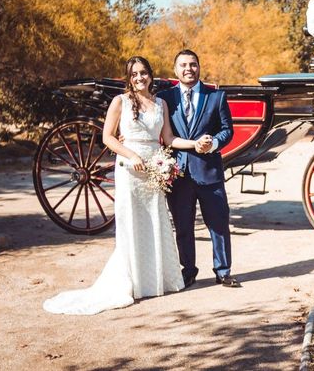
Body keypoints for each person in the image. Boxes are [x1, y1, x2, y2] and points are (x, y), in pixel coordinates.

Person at [44, 56, 206, 315]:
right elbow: (108, 137)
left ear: (151, 75)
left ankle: (157, 280)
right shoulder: (119, 102)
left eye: (143, 73)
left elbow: (169, 138)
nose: (139, 78)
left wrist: (195, 144)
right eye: (134, 74)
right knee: (131, 222)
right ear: (129, 78)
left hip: (154, 167)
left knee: (156, 220)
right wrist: (131, 155)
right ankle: (134, 283)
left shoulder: (161, 104)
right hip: (130, 169)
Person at [159, 49, 238, 288]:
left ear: (199, 67)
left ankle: (223, 271)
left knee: (219, 223)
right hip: (178, 173)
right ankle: (188, 270)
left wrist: (213, 143)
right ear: (175, 70)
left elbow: (227, 130)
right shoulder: (165, 98)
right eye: (183, 65)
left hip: (209, 171)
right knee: (183, 226)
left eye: (193, 64)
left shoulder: (216, 97)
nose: (188, 69)